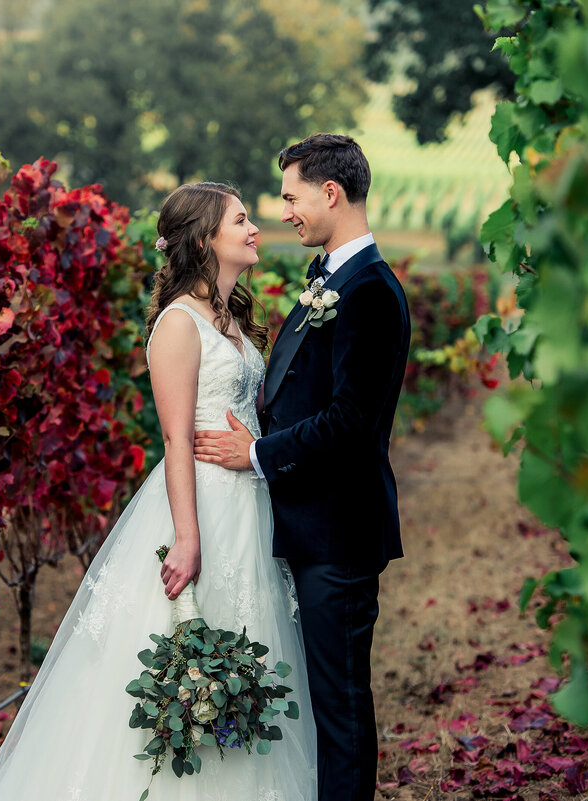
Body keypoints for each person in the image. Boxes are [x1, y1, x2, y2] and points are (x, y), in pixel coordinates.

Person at [0, 182, 316, 801]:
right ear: (205, 239)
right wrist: (188, 537)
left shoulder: (229, 319)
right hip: (201, 503)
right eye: (241, 220)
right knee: (189, 649)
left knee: (242, 652)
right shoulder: (178, 324)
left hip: (248, 503)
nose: (255, 229)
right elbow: (176, 440)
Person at [193, 134, 410, 801]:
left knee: (340, 708)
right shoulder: (330, 280)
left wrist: (254, 454)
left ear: (330, 193)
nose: (284, 210)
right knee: (323, 704)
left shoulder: (368, 290)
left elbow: (350, 421)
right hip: (309, 525)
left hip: (339, 532)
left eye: (290, 196)